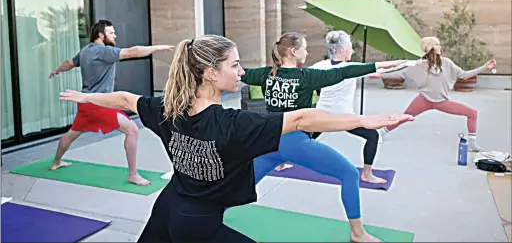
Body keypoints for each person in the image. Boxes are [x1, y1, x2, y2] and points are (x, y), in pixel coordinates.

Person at [59, 35, 413, 243]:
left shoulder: (167, 108)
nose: (242, 72)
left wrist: (86, 98)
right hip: (197, 223)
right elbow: (303, 118)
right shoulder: (235, 125)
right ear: (212, 74)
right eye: (235, 65)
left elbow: (123, 99)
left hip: (168, 206)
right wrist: (370, 120)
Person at [240, 32, 411, 242]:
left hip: (269, 143)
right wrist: (383, 65)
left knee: (241, 186)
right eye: (303, 48)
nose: (307, 51)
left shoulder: (265, 75)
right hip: (294, 143)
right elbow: (345, 72)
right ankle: (358, 233)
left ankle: (207, 216)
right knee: (349, 174)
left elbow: (239, 73)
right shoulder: (306, 77)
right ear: (294, 52)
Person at [48, 19, 174, 186]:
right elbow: (132, 52)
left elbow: (69, 63)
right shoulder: (103, 51)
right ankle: (133, 175)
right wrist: (156, 48)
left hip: (85, 102)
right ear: (101, 35)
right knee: (132, 130)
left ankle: (56, 162)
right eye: (111, 32)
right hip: (99, 103)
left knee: (73, 133)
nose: (115, 35)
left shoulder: (86, 51)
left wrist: (56, 70)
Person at [369, 36, 496, 152]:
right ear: (430, 48)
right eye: (437, 45)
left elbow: (464, 75)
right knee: (404, 116)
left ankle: (473, 144)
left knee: (472, 113)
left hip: (442, 102)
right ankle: (381, 132)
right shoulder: (419, 66)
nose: (440, 47)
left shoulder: (447, 63)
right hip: (424, 100)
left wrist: (485, 67)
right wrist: (379, 74)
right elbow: (399, 73)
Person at [309, 30, 387, 184]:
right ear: (343, 50)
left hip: (321, 117)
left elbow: (308, 83)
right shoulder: (352, 68)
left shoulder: (319, 66)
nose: (352, 50)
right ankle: (367, 174)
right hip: (344, 118)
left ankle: (282, 162)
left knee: (303, 138)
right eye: (350, 47)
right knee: (373, 136)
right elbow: (380, 72)